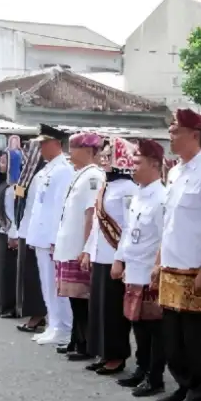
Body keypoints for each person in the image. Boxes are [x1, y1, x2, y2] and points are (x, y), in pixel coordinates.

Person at [156, 107, 201, 401]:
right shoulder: (174, 172)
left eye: (176, 132)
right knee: (172, 338)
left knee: (194, 337)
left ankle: (198, 394)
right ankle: (182, 386)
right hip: (171, 265)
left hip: (195, 268)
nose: (171, 136)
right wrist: (159, 261)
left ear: (194, 135)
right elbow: (169, 222)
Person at [114, 139, 168, 396]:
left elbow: (165, 237)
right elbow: (128, 230)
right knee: (138, 324)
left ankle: (154, 377)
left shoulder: (162, 197)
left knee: (154, 328)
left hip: (150, 271)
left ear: (154, 164)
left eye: (137, 163)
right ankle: (141, 369)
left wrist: (157, 267)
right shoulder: (138, 194)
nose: (132, 167)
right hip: (134, 269)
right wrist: (120, 259)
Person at [82, 138, 138, 375]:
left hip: (115, 257)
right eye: (103, 156)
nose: (104, 160)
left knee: (113, 311)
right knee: (98, 309)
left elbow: (128, 227)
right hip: (100, 255)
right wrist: (88, 250)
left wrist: (120, 258)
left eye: (108, 156)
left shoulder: (129, 188)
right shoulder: (106, 185)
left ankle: (116, 355)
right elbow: (97, 224)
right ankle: (102, 352)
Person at [54, 133, 105, 359]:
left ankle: (85, 343)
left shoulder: (94, 176)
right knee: (74, 298)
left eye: (74, 148)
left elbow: (91, 213)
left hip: (78, 246)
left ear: (88, 151)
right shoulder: (80, 174)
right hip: (69, 243)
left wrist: (86, 248)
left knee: (82, 298)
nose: (70, 152)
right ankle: (76, 339)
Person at [26, 130, 75, 347]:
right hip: (41, 235)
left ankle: (63, 327)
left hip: (51, 237)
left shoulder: (63, 170)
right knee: (47, 284)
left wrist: (56, 237)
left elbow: (59, 206)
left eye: (44, 144)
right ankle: (53, 324)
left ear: (56, 143)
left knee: (56, 286)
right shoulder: (48, 169)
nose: (40, 148)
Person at [12, 130, 56, 335]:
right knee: (28, 276)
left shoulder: (43, 173)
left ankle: (39, 316)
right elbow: (20, 198)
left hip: (36, 231)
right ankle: (34, 314)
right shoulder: (31, 173)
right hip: (26, 228)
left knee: (36, 277)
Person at [0, 148, 22, 317]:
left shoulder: (15, 186)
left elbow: (14, 211)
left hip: (9, 232)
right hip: (0, 230)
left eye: (4, 162)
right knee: (1, 269)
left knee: (9, 270)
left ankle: (11, 306)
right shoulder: (1, 183)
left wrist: (13, 234)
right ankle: (4, 304)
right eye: (0, 161)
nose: (0, 164)